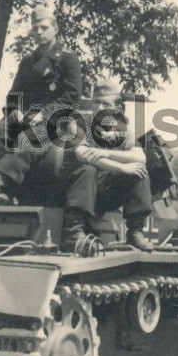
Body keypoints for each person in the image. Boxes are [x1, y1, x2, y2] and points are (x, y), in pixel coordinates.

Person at [0, 4, 82, 204]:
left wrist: (43, 114)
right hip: (25, 117)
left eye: (44, 28)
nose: (39, 32)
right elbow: (15, 93)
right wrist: (14, 109)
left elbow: (72, 96)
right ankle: (5, 192)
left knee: (28, 140)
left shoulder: (67, 58)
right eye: (35, 28)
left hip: (55, 120)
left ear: (55, 29)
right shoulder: (28, 61)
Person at [61, 78, 153, 252]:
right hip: (76, 194)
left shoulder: (120, 128)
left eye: (105, 103)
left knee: (140, 171)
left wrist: (106, 152)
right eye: (97, 102)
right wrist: (122, 167)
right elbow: (83, 155)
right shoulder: (78, 123)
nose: (100, 108)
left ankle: (135, 232)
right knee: (87, 170)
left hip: (102, 194)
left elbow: (140, 157)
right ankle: (73, 234)